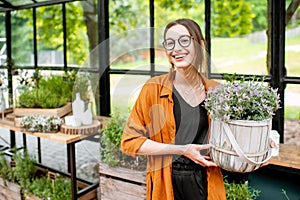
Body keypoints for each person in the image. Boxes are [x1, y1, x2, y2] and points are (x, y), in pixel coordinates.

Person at [121, 18, 226, 200]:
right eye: (170, 43)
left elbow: (231, 135)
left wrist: (258, 143)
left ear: (200, 45)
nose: (176, 48)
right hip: (166, 185)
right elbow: (130, 142)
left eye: (184, 41)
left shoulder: (216, 90)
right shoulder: (153, 89)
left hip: (207, 182)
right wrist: (182, 149)